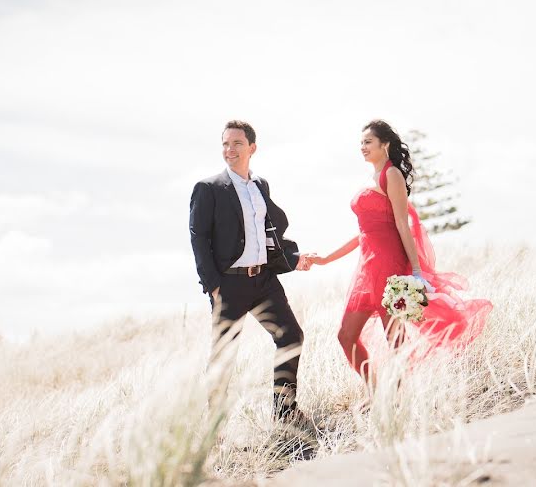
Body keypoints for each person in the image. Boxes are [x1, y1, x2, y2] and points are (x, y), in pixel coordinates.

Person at [307, 120, 493, 384]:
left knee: (395, 338)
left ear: (385, 144)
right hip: (366, 267)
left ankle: (398, 397)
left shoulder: (391, 175)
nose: (363, 147)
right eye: (361, 142)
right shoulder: (370, 177)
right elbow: (364, 233)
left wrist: (416, 270)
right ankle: (375, 390)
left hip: (387, 264)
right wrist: (326, 259)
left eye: (368, 142)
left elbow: (402, 224)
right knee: (346, 335)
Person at [189, 120, 312, 420]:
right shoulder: (208, 188)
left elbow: (267, 234)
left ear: (252, 148)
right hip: (228, 285)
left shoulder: (260, 186)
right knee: (224, 356)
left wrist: (294, 258)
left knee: (291, 336)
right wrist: (213, 286)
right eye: (225, 144)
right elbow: (198, 238)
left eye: (237, 143)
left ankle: (284, 413)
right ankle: (213, 424)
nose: (230, 149)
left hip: (263, 281)